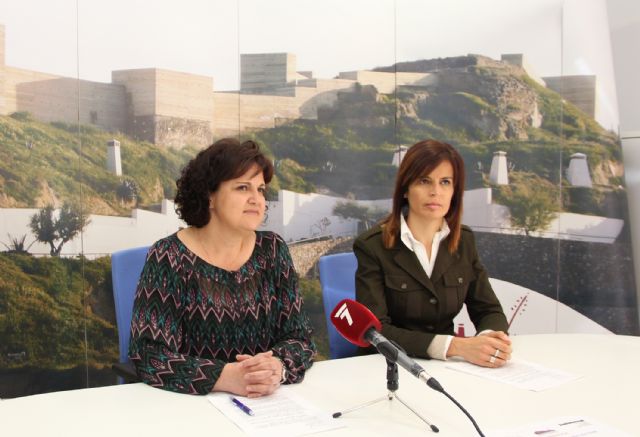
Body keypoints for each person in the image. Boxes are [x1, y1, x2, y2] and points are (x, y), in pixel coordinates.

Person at [128, 138, 316, 396]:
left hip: (266, 403)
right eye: (242, 188)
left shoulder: (272, 249)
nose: (257, 199)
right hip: (191, 404)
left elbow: (301, 337)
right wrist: (223, 377)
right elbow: (149, 353)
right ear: (210, 196)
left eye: (261, 190)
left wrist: (277, 366)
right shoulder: (169, 256)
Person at [354, 139, 512, 368]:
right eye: (424, 181)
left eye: (445, 182)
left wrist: (490, 340)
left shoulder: (464, 241)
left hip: (446, 368)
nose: (435, 192)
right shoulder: (372, 246)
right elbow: (375, 332)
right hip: (386, 367)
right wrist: (455, 346)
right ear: (405, 189)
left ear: (454, 191)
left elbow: (488, 310)